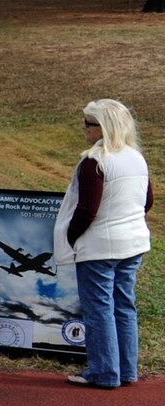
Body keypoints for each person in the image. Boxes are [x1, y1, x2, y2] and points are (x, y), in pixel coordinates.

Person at [55, 100, 153, 389]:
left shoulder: (94, 162)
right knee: (124, 306)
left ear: (104, 127)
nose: (85, 129)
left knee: (99, 309)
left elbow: (86, 210)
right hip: (133, 243)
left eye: (89, 124)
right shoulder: (136, 158)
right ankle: (126, 370)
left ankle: (103, 372)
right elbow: (147, 201)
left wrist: (71, 237)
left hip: (99, 247)